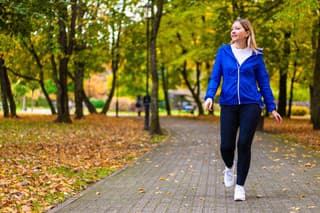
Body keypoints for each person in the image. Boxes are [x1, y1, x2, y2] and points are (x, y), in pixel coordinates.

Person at [204, 18, 282, 201]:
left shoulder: (256, 55)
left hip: (251, 105)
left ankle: (240, 187)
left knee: (244, 144)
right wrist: (209, 96)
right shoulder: (223, 52)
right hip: (229, 104)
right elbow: (215, 77)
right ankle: (229, 167)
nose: (233, 31)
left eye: (237, 28)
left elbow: (263, 82)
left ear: (247, 32)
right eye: (232, 28)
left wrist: (272, 107)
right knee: (226, 145)